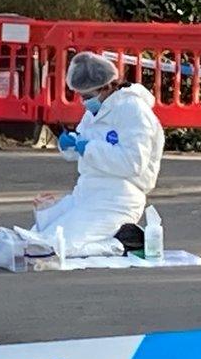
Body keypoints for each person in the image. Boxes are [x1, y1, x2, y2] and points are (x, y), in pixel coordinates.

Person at [31, 51, 166, 257]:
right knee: (40, 232)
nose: (84, 102)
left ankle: (125, 243)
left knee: (58, 245)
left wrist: (89, 148)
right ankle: (115, 237)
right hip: (87, 191)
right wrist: (71, 145)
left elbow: (132, 163)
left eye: (87, 96)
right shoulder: (95, 111)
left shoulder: (133, 110)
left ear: (107, 87)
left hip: (119, 196)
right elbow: (83, 147)